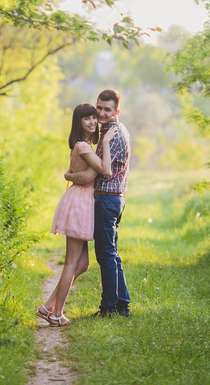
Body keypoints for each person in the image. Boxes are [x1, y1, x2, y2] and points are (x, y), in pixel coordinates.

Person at [38, 103, 115, 327]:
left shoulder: (87, 145)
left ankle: (48, 305)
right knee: (72, 262)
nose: (92, 122)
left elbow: (81, 173)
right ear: (78, 123)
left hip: (83, 200)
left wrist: (70, 175)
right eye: (86, 119)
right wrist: (107, 142)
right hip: (80, 202)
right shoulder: (83, 145)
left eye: (94, 118)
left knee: (82, 264)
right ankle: (55, 314)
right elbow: (99, 171)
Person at [64, 89, 131, 318]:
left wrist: (70, 176)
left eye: (107, 110)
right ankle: (122, 305)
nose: (101, 113)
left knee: (105, 255)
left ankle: (109, 308)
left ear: (116, 111)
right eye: (99, 108)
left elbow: (97, 173)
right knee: (112, 254)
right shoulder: (113, 130)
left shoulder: (112, 134)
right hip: (115, 198)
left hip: (107, 198)